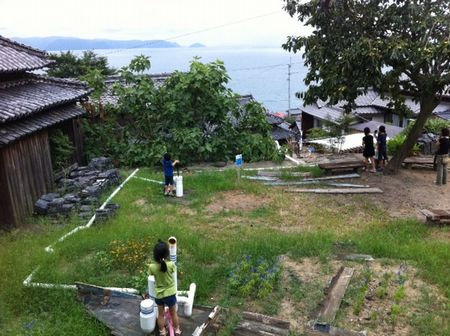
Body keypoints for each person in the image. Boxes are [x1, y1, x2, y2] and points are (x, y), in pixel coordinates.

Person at [148, 241, 182, 336]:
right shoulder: (171, 264)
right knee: (173, 313)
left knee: (161, 315)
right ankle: (177, 330)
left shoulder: (152, 267)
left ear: (154, 255)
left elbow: (151, 275)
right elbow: (173, 270)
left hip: (159, 295)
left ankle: (162, 331)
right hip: (170, 294)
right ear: (167, 254)